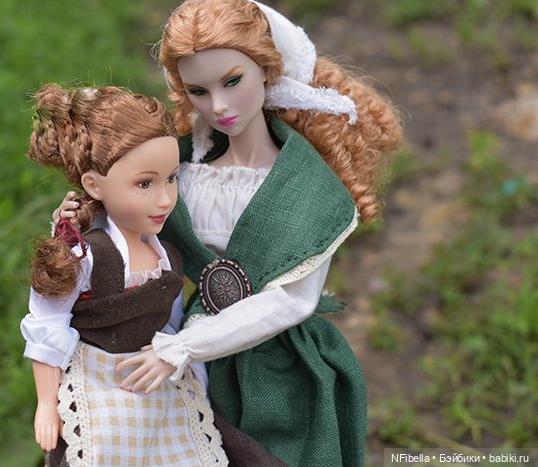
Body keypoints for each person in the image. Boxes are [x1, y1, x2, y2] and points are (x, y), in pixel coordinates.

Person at [54, 0, 403, 464]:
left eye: (232, 81)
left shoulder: (304, 184)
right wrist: (77, 222)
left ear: (268, 70)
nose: (218, 106)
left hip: (280, 366)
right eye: (198, 91)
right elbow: (130, 228)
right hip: (188, 357)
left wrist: (183, 347)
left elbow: (293, 301)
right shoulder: (181, 168)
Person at [21, 84, 228, 466]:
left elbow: (171, 324)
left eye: (171, 178)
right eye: (145, 183)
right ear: (93, 184)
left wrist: (192, 375)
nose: (165, 198)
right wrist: (46, 403)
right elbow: (47, 324)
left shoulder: (167, 255)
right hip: (99, 391)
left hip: (157, 394)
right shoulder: (86, 255)